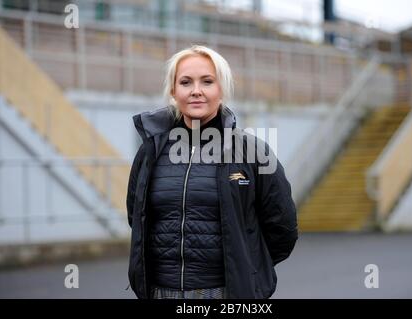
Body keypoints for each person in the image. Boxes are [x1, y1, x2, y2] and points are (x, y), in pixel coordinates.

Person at [126, 45, 298, 299]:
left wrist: (248, 271)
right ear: (173, 91)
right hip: (160, 292)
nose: (196, 91)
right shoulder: (151, 150)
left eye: (207, 81)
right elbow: (136, 217)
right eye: (185, 82)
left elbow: (282, 227)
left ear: (222, 89)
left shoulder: (251, 151)